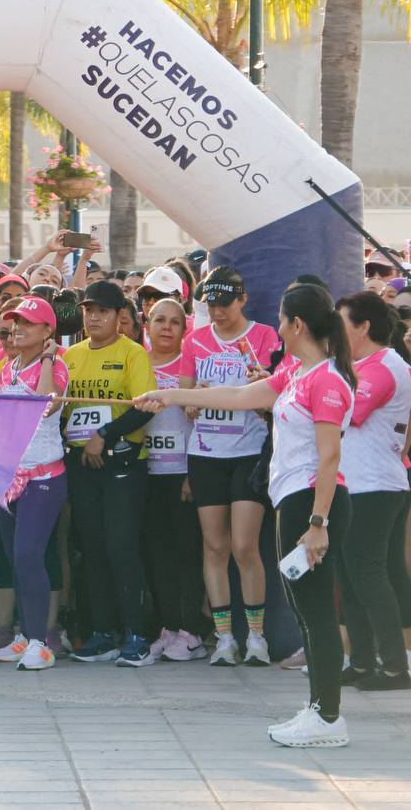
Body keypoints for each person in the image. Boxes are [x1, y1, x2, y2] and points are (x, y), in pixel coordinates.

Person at [137, 283, 355, 748]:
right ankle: (319, 709)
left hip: (314, 503)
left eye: (281, 320)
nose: (277, 328)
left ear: (297, 325)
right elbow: (236, 396)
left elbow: (330, 456)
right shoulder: (295, 372)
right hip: (291, 498)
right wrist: (169, 397)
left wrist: (318, 524)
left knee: (315, 614)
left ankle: (329, 718)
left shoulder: (328, 380)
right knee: (306, 612)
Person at [178, 265, 279, 667]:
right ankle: (224, 638)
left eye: (224, 303)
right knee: (215, 546)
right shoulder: (196, 340)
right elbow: (184, 404)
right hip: (206, 452)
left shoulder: (264, 336)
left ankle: (257, 636)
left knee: (243, 545)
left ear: (242, 299)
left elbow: (276, 389)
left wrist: (263, 379)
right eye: (211, 304)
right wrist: (196, 397)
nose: (218, 312)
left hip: (249, 451)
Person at [62, 280, 158, 667]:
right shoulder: (70, 355)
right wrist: (83, 445)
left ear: (120, 316)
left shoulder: (133, 353)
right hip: (82, 464)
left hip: (123, 463)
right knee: (93, 548)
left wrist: (104, 435)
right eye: (88, 310)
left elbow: (146, 405)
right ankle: (102, 633)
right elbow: (64, 410)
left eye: (102, 310)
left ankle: (137, 634)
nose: (94, 317)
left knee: (122, 548)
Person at [334, 291, 411, 690]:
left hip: (376, 486)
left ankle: (395, 666)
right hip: (356, 485)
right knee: (349, 576)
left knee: (368, 573)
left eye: (340, 322)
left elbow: (349, 412)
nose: (333, 330)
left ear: (363, 327)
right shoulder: (361, 365)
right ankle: (362, 661)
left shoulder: (384, 368)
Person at [0, 298, 69, 671]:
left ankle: (41, 642)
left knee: (28, 555)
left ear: (48, 331)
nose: (18, 328)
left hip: (44, 477)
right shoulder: (7, 368)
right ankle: (24, 637)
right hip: (9, 478)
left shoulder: (56, 365)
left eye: (28, 323)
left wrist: (50, 359)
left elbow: (48, 404)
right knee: (14, 560)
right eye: (15, 321)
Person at [140, 298, 208, 662]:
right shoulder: (138, 361)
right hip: (146, 474)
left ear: (185, 329)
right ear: (146, 324)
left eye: (175, 322)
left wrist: (192, 473)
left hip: (181, 473)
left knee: (187, 552)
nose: (166, 327)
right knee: (157, 553)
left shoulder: (190, 365)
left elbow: (198, 421)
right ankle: (168, 627)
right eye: (159, 320)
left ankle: (192, 630)